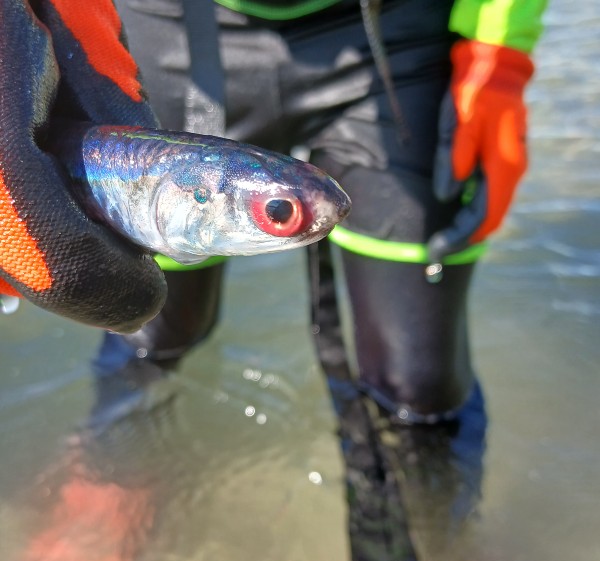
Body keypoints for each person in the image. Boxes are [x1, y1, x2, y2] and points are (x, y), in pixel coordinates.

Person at [0, 0, 547, 418]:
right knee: (149, 338)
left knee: (421, 383)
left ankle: (439, 518)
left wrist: (499, 52)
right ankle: (118, 481)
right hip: (169, 27)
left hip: (398, 36)